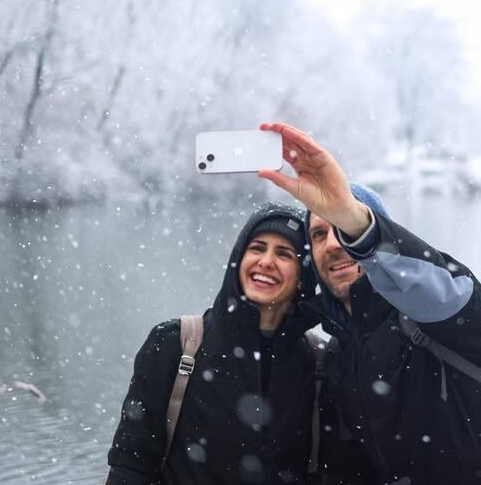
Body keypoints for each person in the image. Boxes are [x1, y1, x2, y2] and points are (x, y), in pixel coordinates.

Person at [259, 122, 481, 485]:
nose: (334, 244)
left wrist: (354, 221)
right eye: (319, 234)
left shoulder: (430, 315)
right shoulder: (339, 353)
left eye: (342, 230)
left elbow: (447, 292)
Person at [106, 202, 321, 484]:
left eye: (284, 254)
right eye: (257, 248)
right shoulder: (176, 344)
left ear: (303, 277)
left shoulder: (318, 362)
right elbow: (131, 466)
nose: (266, 261)